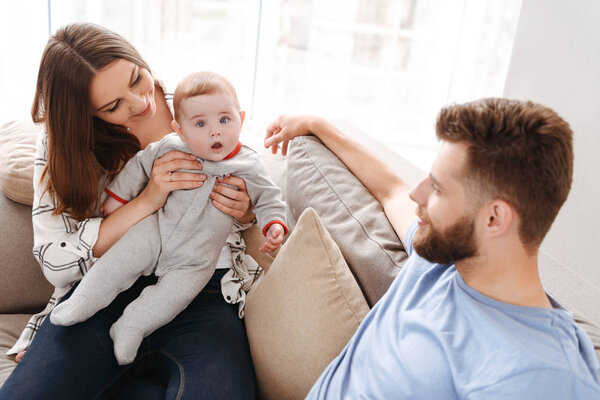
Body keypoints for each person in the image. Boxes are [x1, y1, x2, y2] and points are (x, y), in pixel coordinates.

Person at [264, 102, 600, 399]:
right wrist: (315, 123)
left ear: (494, 218)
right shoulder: (439, 259)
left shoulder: (543, 378)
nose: (418, 194)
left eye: (437, 188)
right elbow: (392, 190)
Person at [0, 23, 259, 399]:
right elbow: (56, 262)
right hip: (103, 289)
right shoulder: (62, 147)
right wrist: (147, 200)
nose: (140, 103)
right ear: (85, 115)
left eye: (136, 78)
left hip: (200, 289)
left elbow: (242, 178)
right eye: (113, 106)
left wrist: (246, 209)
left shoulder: (193, 103)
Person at [50, 71, 288, 366]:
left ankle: (130, 326)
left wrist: (273, 223)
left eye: (225, 120)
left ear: (240, 118)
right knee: (117, 264)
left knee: (174, 296)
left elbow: (269, 196)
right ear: (181, 129)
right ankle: (82, 302)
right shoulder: (170, 147)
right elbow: (138, 167)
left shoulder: (248, 164)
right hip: (156, 230)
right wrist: (117, 200)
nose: (216, 132)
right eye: (201, 124)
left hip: (198, 257)